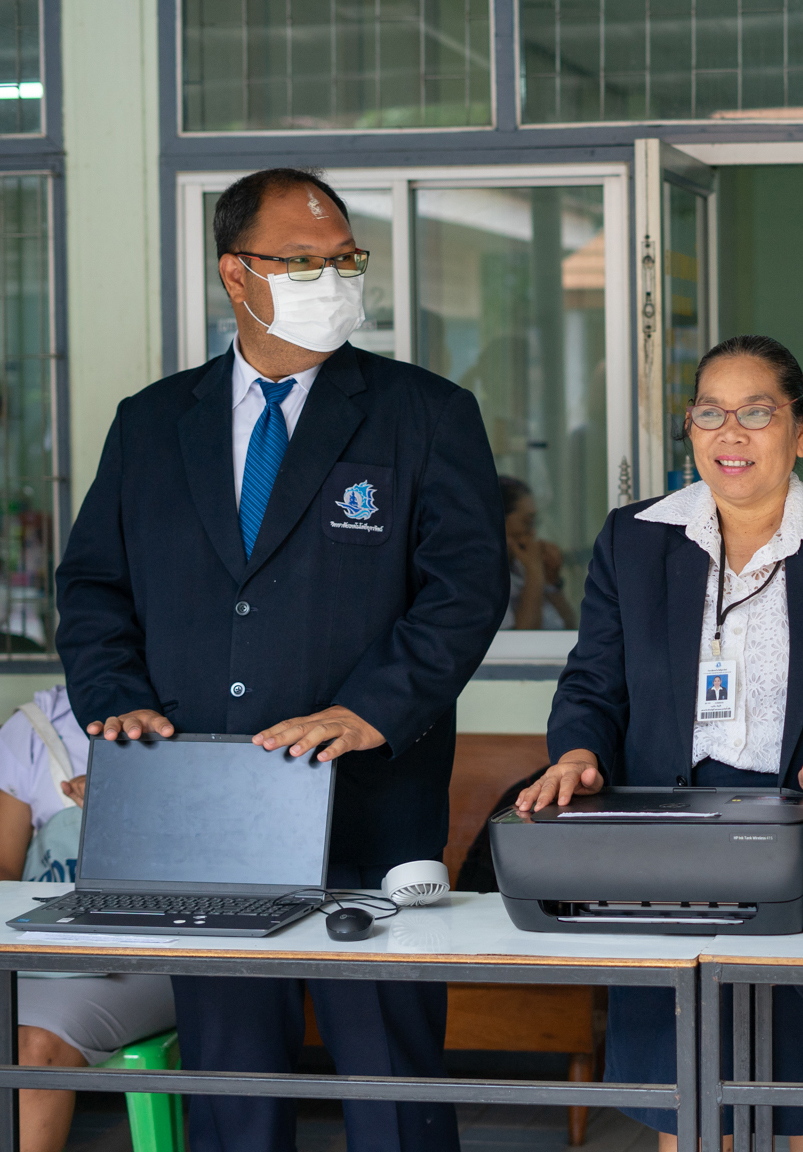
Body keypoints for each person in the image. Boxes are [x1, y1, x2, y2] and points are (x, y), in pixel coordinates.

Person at [54, 167, 508, 1152]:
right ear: (235, 274)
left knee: (389, 1078)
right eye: (303, 262)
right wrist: (116, 701)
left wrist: (372, 710)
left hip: (372, 795)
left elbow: (467, 589)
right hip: (209, 809)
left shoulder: (423, 414)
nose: (333, 279)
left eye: (345, 259)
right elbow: (93, 586)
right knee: (233, 1081)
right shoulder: (151, 424)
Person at [518, 333, 803, 1152]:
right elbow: (594, 681)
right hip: (662, 852)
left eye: (756, 413)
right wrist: (575, 752)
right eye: (709, 414)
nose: (730, 435)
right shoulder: (635, 540)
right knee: (690, 1104)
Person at [0, 686, 176, 1152]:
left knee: (30, 1046)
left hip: (148, 953)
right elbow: (3, 867)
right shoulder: (36, 728)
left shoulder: (197, 709)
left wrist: (119, 812)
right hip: (38, 950)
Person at [499, 475, 577, 630]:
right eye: (526, 522)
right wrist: (534, 571)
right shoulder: (486, 578)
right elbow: (524, 639)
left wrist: (551, 581)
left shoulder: (519, 566)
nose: (533, 532)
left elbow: (569, 626)